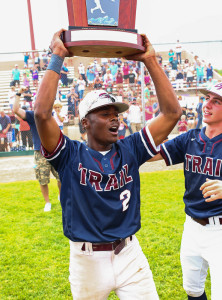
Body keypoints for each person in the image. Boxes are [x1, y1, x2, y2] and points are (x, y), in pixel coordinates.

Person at [34, 29, 181, 299]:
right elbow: (41, 114)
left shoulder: (131, 148)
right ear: (85, 123)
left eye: (116, 114)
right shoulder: (68, 154)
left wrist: (150, 60)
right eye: (105, 114)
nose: (115, 119)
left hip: (129, 253)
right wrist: (57, 57)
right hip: (86, 260)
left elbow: (172, 113)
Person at [149, 82, 222, 300]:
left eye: (216, 101)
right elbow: (151, 153)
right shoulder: (190, 138)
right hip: (191, 226)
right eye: (207, 98)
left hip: (220, 230)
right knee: (192, 289)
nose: (206, 104)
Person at [13, 87, 61, 212]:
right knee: (43, 179)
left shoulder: (52, 114)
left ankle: (61, 196)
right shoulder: (32, 115)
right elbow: (15, 110)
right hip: (40, 152)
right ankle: (48, 203)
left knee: (61, 176)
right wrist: (19, 93)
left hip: (56, 150)